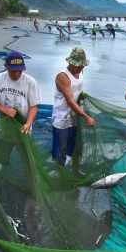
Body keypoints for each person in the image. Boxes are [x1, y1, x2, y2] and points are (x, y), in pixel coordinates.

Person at [0, 51, 41, 180]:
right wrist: (3, 109)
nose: (16, 74)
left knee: (27, 159)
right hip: (4, 126)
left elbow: (34, 106)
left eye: (19, 71)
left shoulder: (30, 82)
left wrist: (28, 123)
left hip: (23, 127)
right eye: (13, 71)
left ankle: (32, 183)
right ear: (5, 66)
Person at [52, 47, 95, 177]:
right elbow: (70, 101)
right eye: (77, 66)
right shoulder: (63, 77)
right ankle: (61, 175)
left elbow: (76, 87)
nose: (79, 69)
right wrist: (86, 117)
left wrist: (80, 93)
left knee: (76, 146)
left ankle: (75, 171)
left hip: (73, 116)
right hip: (62, 118)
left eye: (81, 66)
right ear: (70, 62)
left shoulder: (80, 71)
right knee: (62, 149)